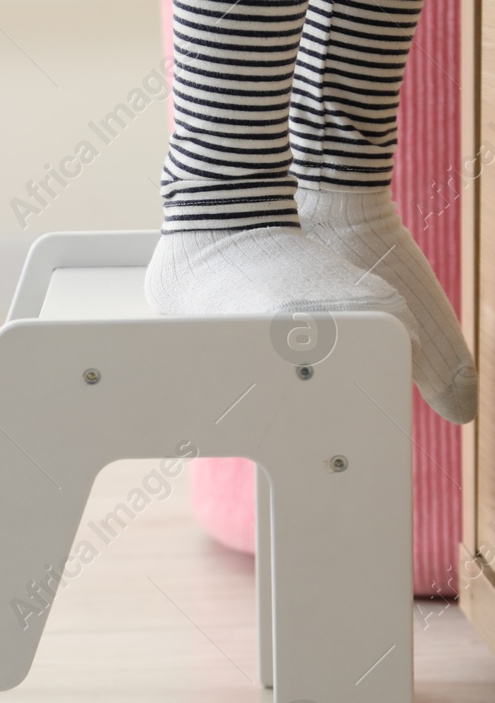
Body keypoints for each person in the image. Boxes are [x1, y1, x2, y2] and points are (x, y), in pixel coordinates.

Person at [146, 0, 476, 424]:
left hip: (345, 186)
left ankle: (340, 192)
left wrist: (348, 185)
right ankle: (220, 208)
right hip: (219, 215)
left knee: (343, 170)